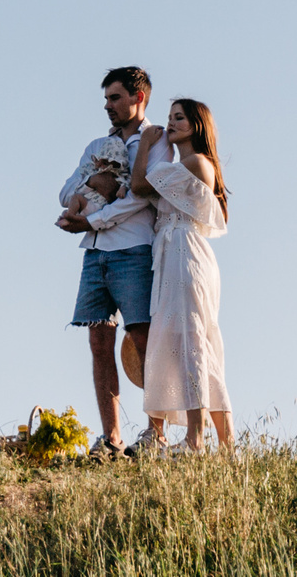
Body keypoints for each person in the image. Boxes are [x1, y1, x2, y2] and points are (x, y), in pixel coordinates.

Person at [55, 67, 157, 456]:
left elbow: (141, 196)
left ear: (138, 97)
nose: (108, 106)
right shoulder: (97, 145)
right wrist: (97, 185)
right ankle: (112, 437)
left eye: (115, 98)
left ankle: (155, 432)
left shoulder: (156, 141)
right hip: (95, 253)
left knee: (143, 339)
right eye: (106, 99)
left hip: (134, 250)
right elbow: (65, 192)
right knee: (98, 340)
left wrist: (96, 215)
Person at [129, 96, 234, 453]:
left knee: (191, 341)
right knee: (191, 341)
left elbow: (140, 185)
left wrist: (146, 144)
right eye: (170, 117)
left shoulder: (194, 162)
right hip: (174, 253)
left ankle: (195, 438)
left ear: (196, 125)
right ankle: (226, 442)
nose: (170, 123)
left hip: (184, 254)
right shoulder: (187, 164)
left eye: (179, 118)